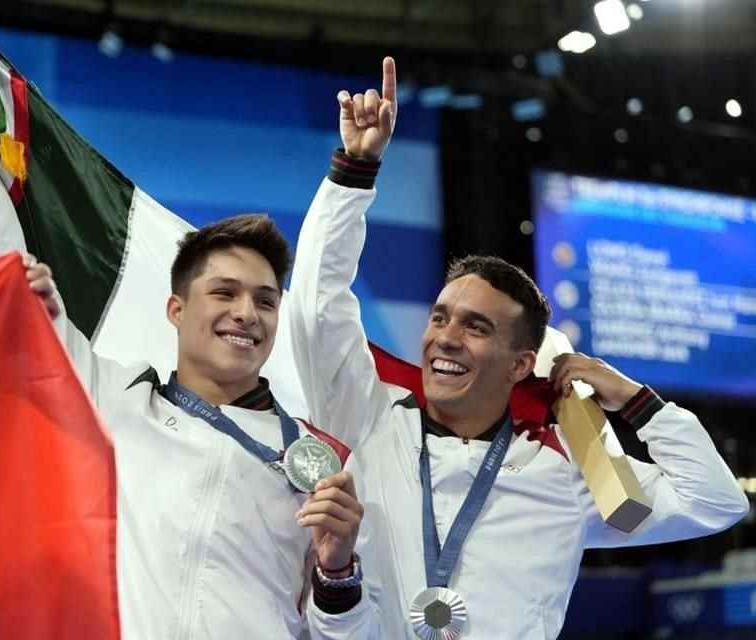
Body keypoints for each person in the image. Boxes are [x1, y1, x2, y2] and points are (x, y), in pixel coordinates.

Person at [0, 27, 380, 640]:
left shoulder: (320, 464)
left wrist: (337, 570)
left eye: (266, 301)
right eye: (224, 293)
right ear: (175, 310)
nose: (248, 312)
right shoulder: (108, 401)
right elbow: (6, 278)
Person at [288, 56, 750, 639]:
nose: (446, 338)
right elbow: (315, 303)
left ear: (521, 364)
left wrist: (638, 402)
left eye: (477, 327)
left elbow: (716, 502)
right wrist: (355, 170)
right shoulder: (369, 415)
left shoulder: (574, 471)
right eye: (440, 317)